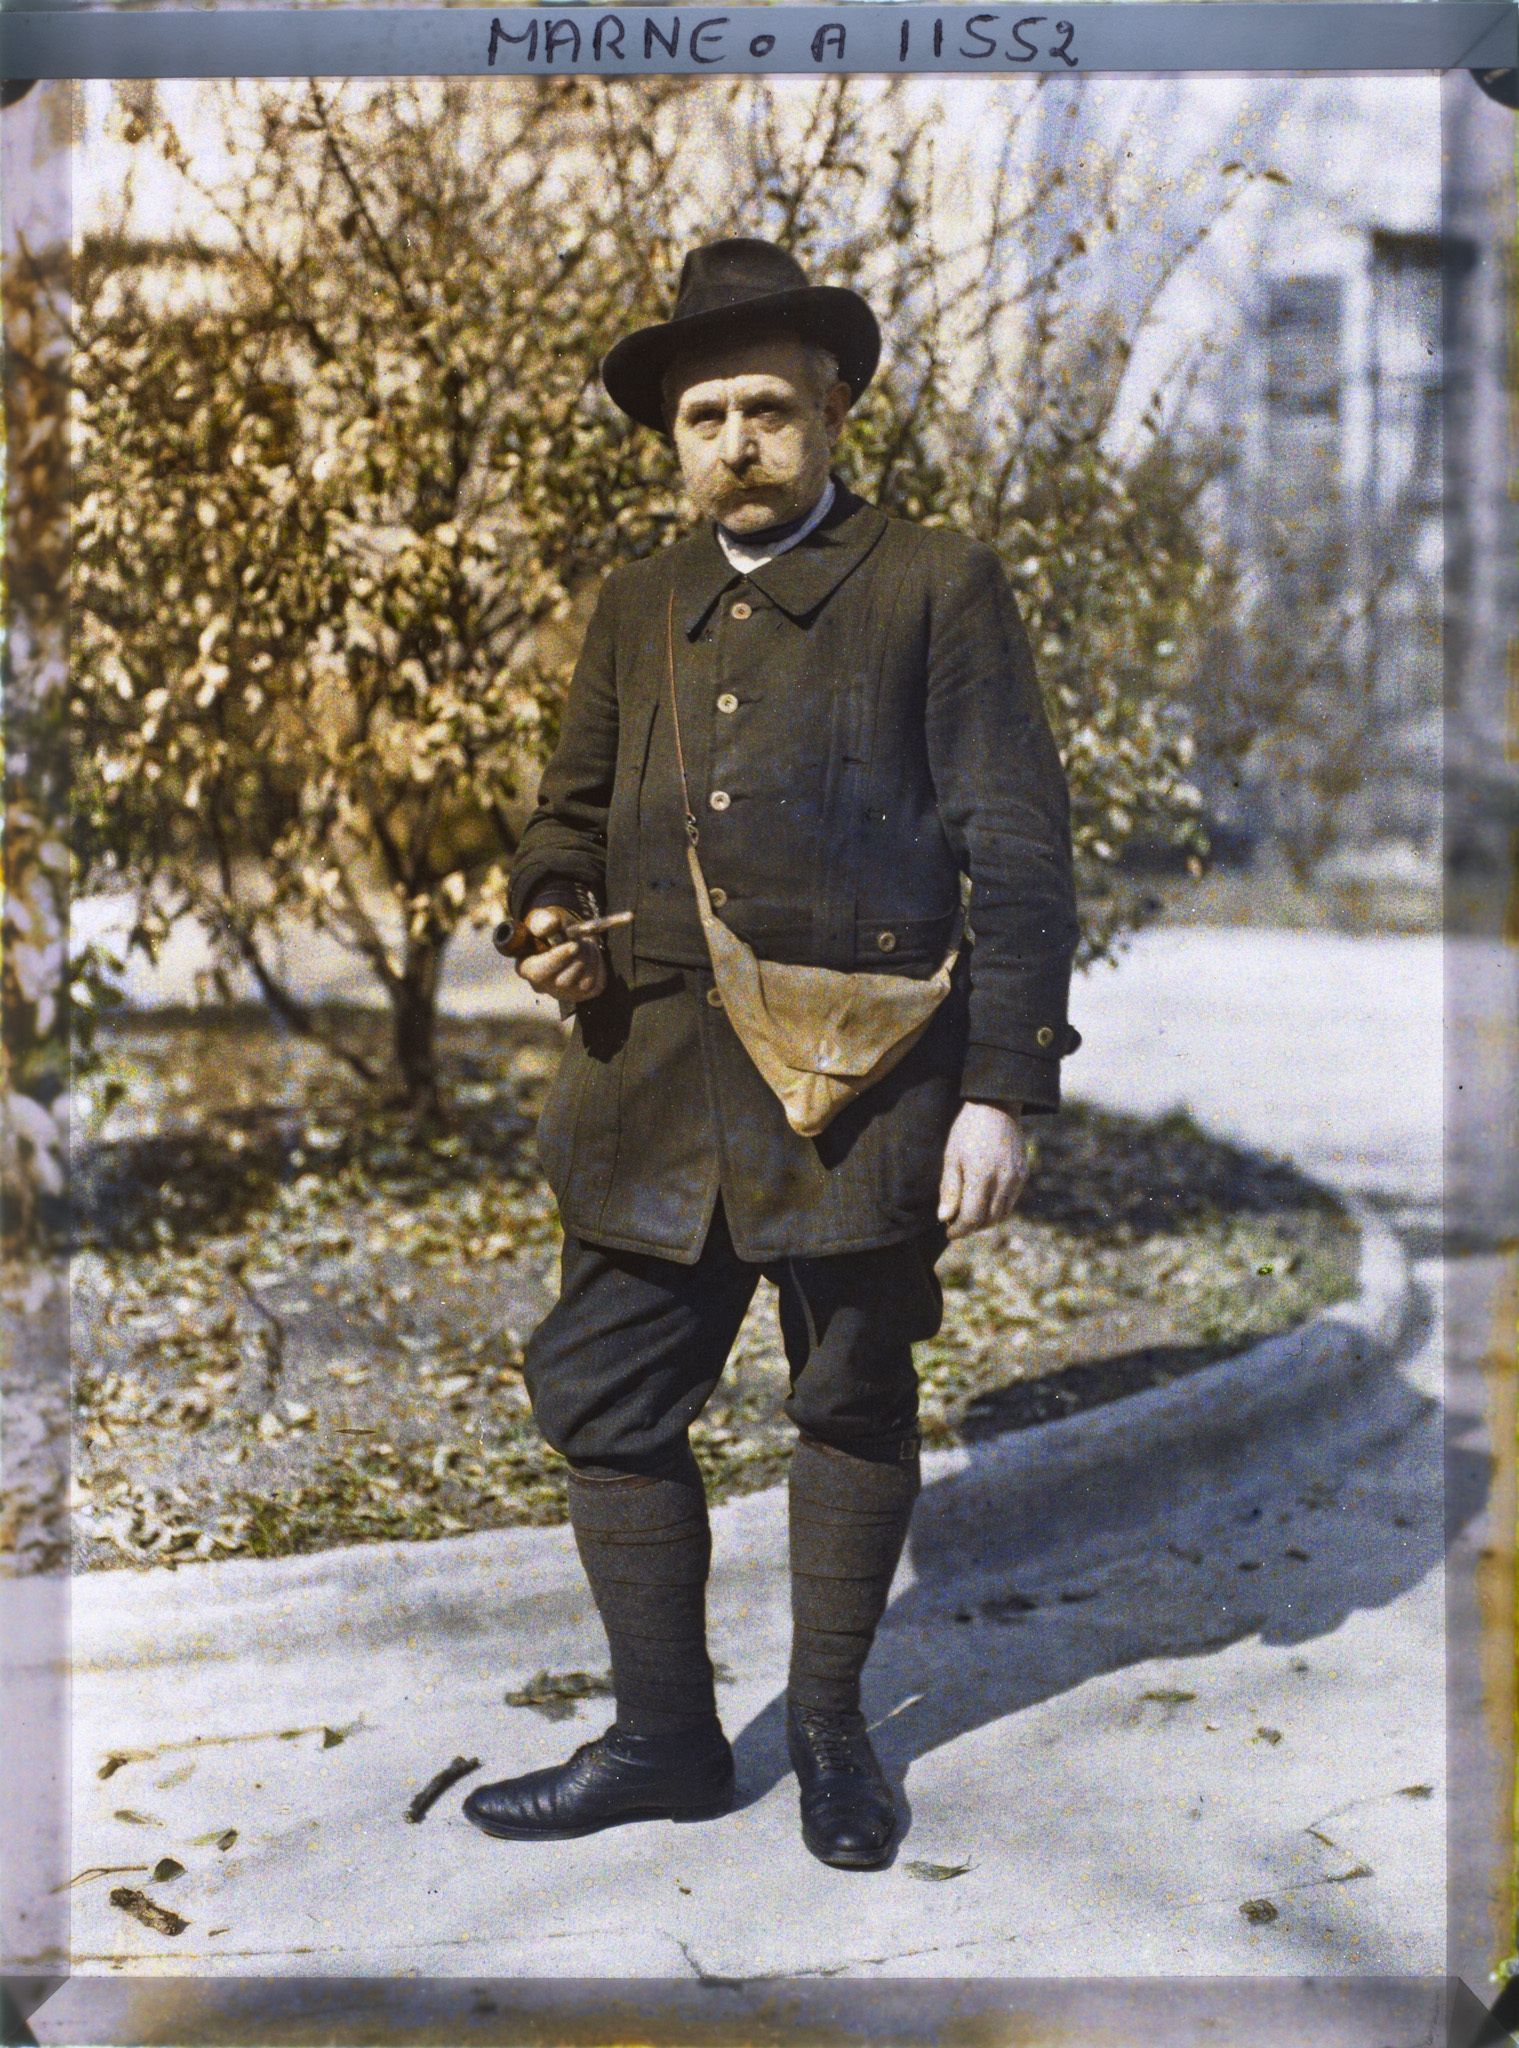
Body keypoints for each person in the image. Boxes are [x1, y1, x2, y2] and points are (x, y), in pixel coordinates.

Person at [463, 237, 1082, 1870]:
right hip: (652, 1086)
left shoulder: (935, 584)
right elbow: (566, 814)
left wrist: (1004, 1089)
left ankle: (827, 1733)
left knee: (853, 1400)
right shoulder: (638, 603)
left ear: (835, 412)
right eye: (703, 418)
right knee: (603, 1398)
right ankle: (665, 1740)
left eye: (767, 410)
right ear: (673, 438)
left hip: (860, 1092)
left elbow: (1019, 853)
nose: (734, 443)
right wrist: (548, 910)